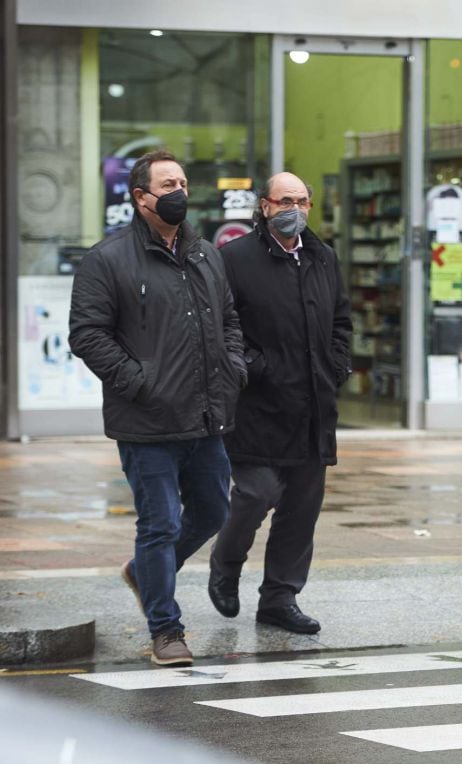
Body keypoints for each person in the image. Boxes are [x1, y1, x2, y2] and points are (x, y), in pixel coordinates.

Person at [69, 150, 246, 666]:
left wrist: (234, 368)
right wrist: (139, 382)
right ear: (141, 196)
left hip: (207, 416)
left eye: (183, 182)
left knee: (214, 511)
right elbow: (87, 334)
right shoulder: (108, 258)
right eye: (168, 184)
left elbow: (230, 319)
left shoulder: (206, 254)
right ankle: (166, 631)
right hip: (146, 421)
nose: (179, 193)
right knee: (161, 523)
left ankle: (144, 571)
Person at [207, 172, 353, 635]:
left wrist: (336, 367)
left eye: (303, 200)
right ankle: (226, 565)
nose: (295, 208)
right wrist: (255, 367)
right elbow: (219, 329)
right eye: (285, 200)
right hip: (258, 406)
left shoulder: (323, 257)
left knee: (301, 508)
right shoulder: (234, 258)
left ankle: (279, 597)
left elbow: (341, 321)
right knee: (255, 494)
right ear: (265, 206)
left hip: (313, 405)